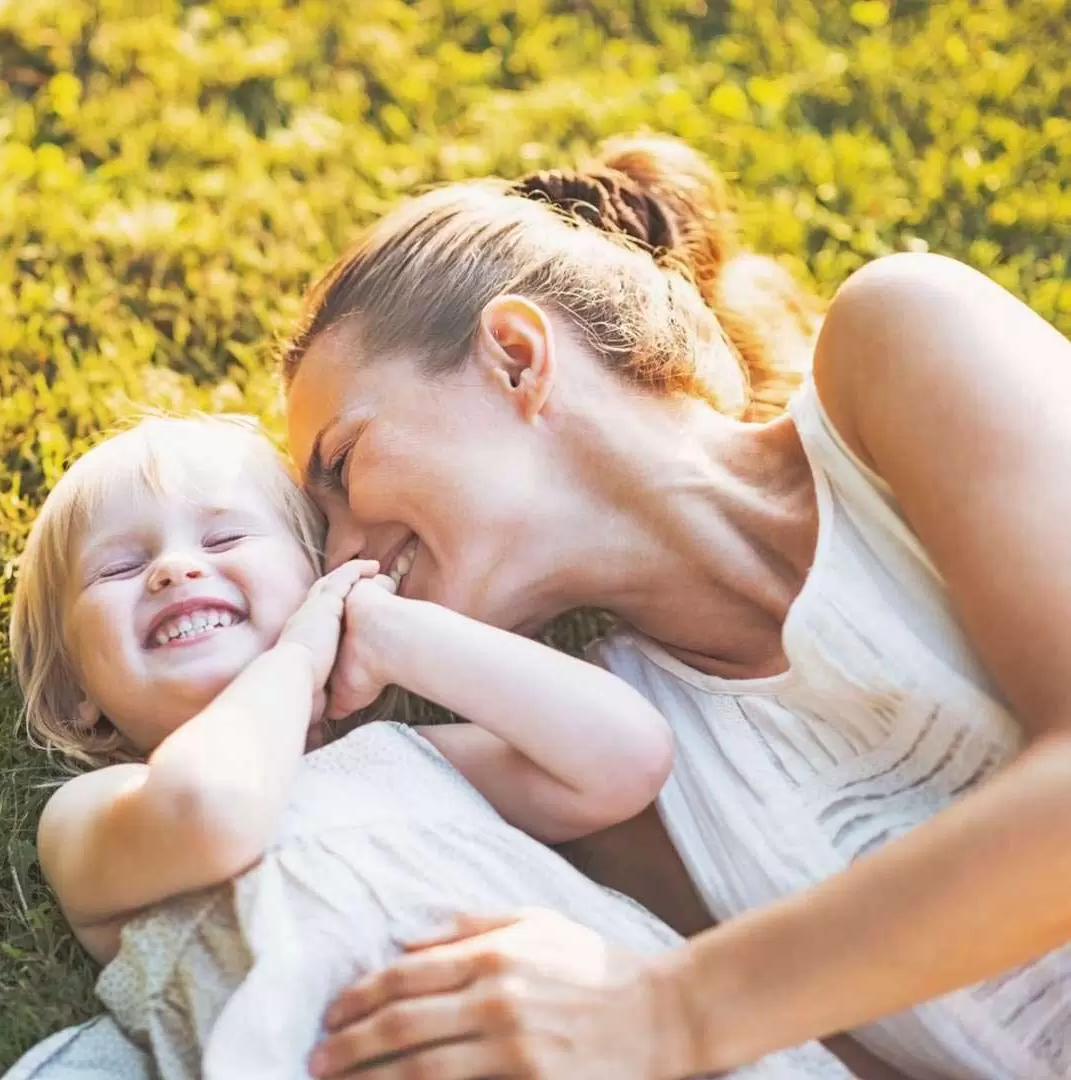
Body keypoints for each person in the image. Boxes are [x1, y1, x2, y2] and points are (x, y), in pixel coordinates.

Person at [281, 133, 1071, 1080]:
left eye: (341, 464)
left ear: (515, 357)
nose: (339, 552)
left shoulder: (905, 338)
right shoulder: (618, 789)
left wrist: (675, 1010)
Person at [0, 415, 847, 1079]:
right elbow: (215, 812)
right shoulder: (101, 811)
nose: (175, 571)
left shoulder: (409, 759)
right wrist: (297, 657)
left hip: (595, 1034)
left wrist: (394, 634)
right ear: (82, 703)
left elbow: (624, 756)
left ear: (314, 578)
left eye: (222, 541)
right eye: (117, 569)